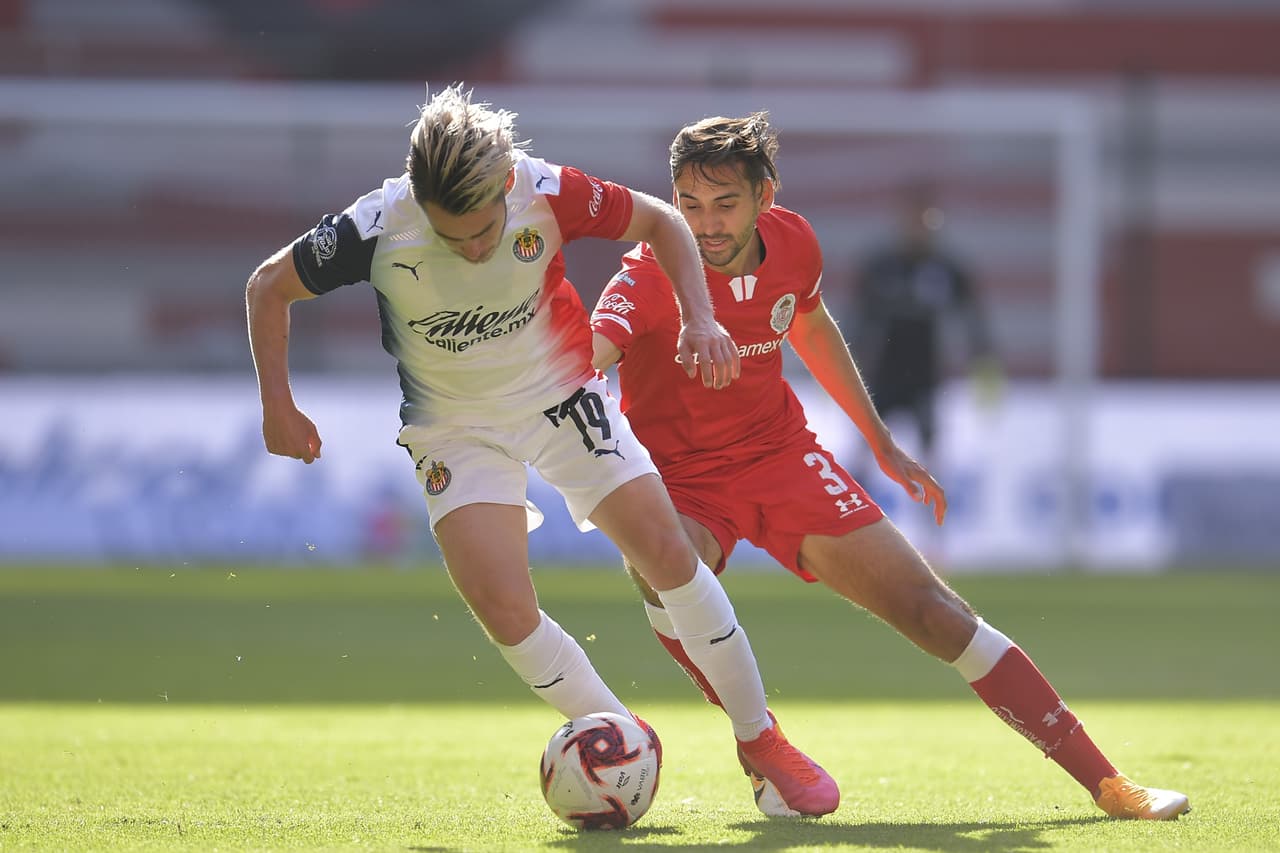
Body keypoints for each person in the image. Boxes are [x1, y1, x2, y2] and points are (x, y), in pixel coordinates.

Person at [244, 85, 837, 816]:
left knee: (667, 553)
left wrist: (698, 317)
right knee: (501, 605)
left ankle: (760, 741)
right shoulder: (377, 223)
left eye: (484, 229)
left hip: (561, 398)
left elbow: (660, 222)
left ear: (504, 186)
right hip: (453, 427)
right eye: (450, 235)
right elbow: (269, 285)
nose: (472, 247)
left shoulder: (548, 189)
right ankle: (620, 734)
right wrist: (278, 404)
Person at [590, 112, 1190, 821]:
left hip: (782, 458)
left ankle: (1109, 783)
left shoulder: (795, 243)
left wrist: (876, 439)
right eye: (689, 205)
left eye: (725, 204)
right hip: (685, 483)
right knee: (662, 566)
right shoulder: (648, 276)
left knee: (937, 614)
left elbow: (807, 322)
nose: (706, 225)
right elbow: (588, 358)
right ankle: (762, 742)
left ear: (766, 198)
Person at [849, 182, 1001, 467]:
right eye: (911, 217)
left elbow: (973, 322)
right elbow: (857, 321)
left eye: (924, 217)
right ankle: (850, 509)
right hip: (882, 378)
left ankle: (932, 511)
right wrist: (840, 366)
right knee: (863, 454)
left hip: (927, 380)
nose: (917, 225)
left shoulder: (947, 268)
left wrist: (985, 369)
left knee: (931, 460)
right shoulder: (880, 267)